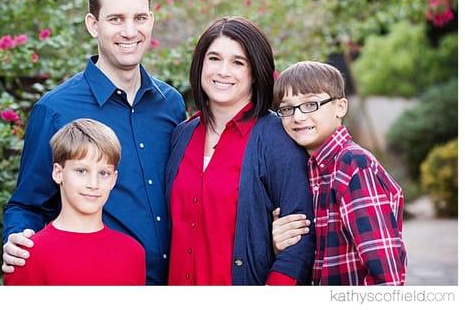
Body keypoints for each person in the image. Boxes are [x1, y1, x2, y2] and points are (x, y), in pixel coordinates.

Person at [2, 0, 186, 285]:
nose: (130, 31)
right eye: (116, 19)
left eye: (139, 18)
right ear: (93, 25)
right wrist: (18, 237)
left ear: (151, 22)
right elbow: (27, 203)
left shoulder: (170, 104)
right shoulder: (55, 110)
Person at [165, 16, 315, 285]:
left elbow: (298, 245)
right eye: (214, 58)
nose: (223, 71)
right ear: (200, 64)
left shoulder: (276, 139)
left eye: (237, 62)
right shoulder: (182, 135)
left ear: (255, 73)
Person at [272, 60, 407, 285]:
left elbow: (386, 273)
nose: (297, 117)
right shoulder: (309, 168)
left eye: (310, 104)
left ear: (340, 107)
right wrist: (280, 241)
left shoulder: (352, 165)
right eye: (287, 108)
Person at [4, 118, 145, 285]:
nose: (93, 184)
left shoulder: (133, 253)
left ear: (114, 179)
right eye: (81, 171)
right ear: (58, 173)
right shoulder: (26, 255)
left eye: (104, 173)